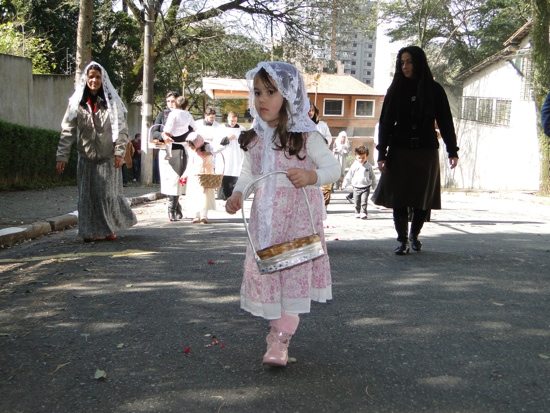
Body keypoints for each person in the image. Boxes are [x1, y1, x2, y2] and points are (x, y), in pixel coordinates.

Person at [225, 61, 340, 367]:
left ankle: (280, 338)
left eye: (270, 92)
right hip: (266, 224)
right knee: (270, 275)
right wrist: (238, 194)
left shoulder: (306, 136)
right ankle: (277, 332)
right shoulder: (255, 137)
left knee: (292, 277)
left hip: (297, 223)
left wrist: (312, 177)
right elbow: (249, 173)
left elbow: (333, 168)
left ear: (289, 95)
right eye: (257, 92)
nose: (262, 99)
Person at [372, 45, 459, 255]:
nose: (405, 66)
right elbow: (385, 123)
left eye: (409, 61)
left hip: (425, 151)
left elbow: (445, 121)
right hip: (399, 150)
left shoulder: (434, 90)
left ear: (419, 62)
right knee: (399, 198)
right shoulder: (395, 89)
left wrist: (452, 150)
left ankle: (414, 235)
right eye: (402, 62)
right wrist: (382, 153)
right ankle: (402, 240)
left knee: (422, 198)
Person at [55, 61, 136, 242]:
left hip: (107, 158)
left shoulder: (112, 103)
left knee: (105, 195)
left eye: (98, 77)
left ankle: (108, 229)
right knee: (87, 196)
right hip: (85, 158)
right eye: (91, 77)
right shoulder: (76, 103)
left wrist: (119, 153)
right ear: (85, 78)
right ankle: (89, 231)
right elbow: (67, 130)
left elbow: (122, 130)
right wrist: (62, 156)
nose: (94, 80)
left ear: (103, 80)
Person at [153, 91, 189, 222]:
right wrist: (163, 135)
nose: (170, 104)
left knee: (177, 180)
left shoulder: (184, 115)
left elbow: (191, 130)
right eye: (168, 101)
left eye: (173, 101)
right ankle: (174, 207)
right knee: (169, 181)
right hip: (165, 151)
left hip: (179, 150)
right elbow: (154, 132)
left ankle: (173, 208)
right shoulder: (162, 114)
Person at [182, 132, 216, 224]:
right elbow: (190, 164)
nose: (190, 147)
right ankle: (196, 216)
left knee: (205, 196)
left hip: (206, 175)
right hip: (194, 176)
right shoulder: (191, 150)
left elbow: (215, 154)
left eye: (192, 144)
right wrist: (184, 175)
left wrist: (207, 153)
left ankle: (204, 216)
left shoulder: (208, 147)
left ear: (197, 142)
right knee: (195, 195)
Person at [212, 111, 245, 199]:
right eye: (231, 121)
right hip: (225, 155)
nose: (233, 122)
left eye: (235, 120)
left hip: (237, 155)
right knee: (224, 171)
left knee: (236, 171)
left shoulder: (242, 129)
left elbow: (246, 142)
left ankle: (233, 195)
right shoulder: (221, 128)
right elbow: (216, 143)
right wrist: (227, 138)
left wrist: (240, 139)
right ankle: (223, 195)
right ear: (227, 119)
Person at [308, 101, 334, 208]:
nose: (310, 112)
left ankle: (323, 206)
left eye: (312, 110)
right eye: (308, 110)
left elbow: (328, 138)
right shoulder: (300, 126)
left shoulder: (322, 125)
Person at [342, 145, 376, 219]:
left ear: (366, 156)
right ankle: (357, 212)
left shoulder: (369, 166)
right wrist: (344, 184)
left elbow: (372, 176)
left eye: (363, 157)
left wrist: (374, 185)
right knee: (357, 202)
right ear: (356, 157)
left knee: (364, 201)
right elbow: (349, 175)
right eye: (359, 158)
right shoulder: (354, 166)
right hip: (356, 187)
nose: (361, 159)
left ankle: (363, 212)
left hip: (366, 187)